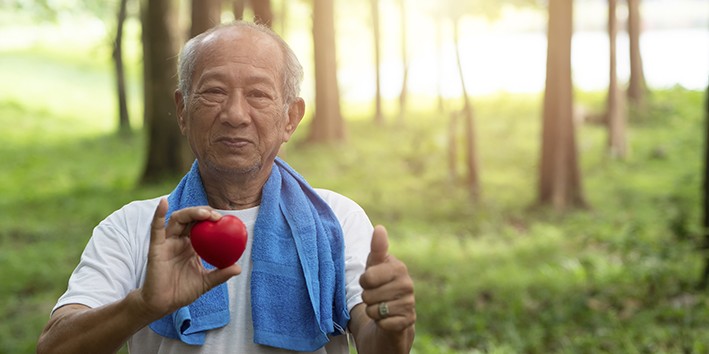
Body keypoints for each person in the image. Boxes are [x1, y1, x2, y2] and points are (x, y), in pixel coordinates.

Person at [36, 21, 415, 354]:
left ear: (291, 118)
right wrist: (142, 305)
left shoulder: (336, 220)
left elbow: (376, 342)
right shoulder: (136, 227)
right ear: (183, 111)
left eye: (258, 95)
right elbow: (54, 347)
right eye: (214, 91)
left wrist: (390, 322)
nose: (235, 114)